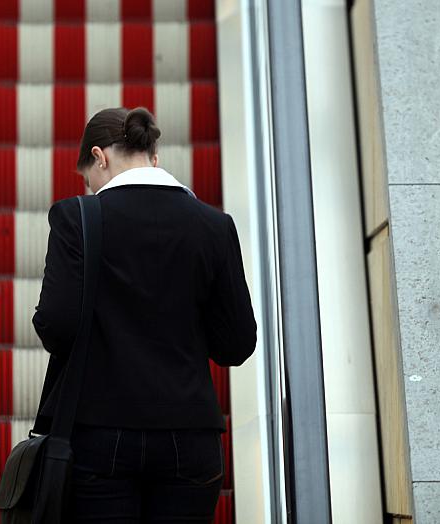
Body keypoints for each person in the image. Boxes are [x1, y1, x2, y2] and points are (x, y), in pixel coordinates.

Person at [31, 106, 257, 523]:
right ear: (154, 157)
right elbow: (237, 344)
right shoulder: (214, 225)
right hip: (190, 438)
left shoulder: (77, 218)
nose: (90, 188)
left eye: (88, 178)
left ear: (100, 157)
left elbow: (56, 325)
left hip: (100, 434)